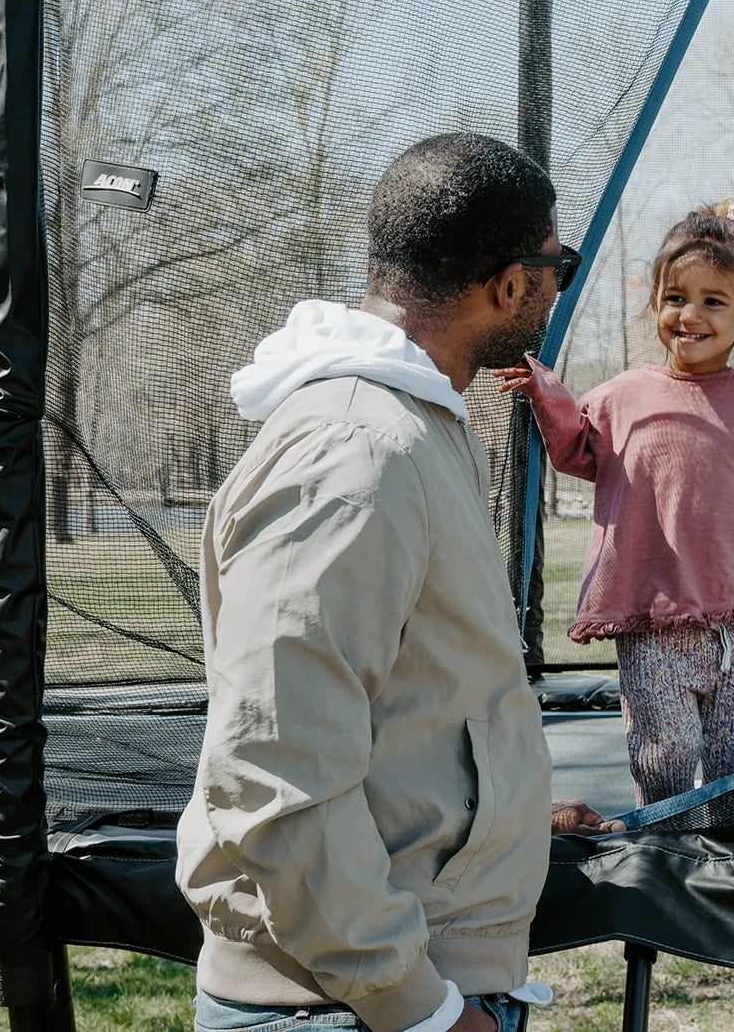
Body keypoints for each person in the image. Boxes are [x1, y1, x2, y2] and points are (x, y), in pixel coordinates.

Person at [179, 133, 618, 1032]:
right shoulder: (357, 449)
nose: (555, 284)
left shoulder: (412, 425)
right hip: (347, 1003)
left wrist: (501, 819)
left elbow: (415, 697)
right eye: (557, 265)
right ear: (508, 284)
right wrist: (416, 1005)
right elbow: (274, 762)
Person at [493, 200, 734, 807]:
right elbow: (578, 451)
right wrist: (546, 395)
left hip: (733, 617)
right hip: (651, 616)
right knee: (666, 753)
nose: (690, 314)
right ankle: (664, 852)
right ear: (655, 301)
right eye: (675, 297)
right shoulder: (622, 395)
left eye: (714, 301)